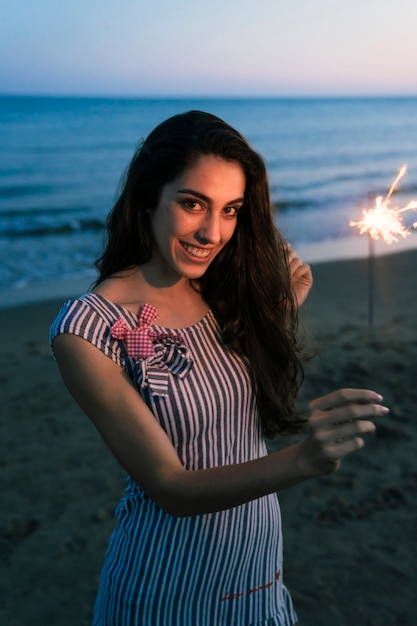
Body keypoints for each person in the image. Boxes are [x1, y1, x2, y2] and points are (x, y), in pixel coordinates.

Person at [49, 111, 388, 626]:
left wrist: (281, 310)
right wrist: (304, 459)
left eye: (231, 210)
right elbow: (170, 486)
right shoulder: (87, 329)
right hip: (167, 589)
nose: (213, 232)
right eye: (192, 204)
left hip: (258, 573)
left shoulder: (220, 291)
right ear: (147, 199)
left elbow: (229, 382)